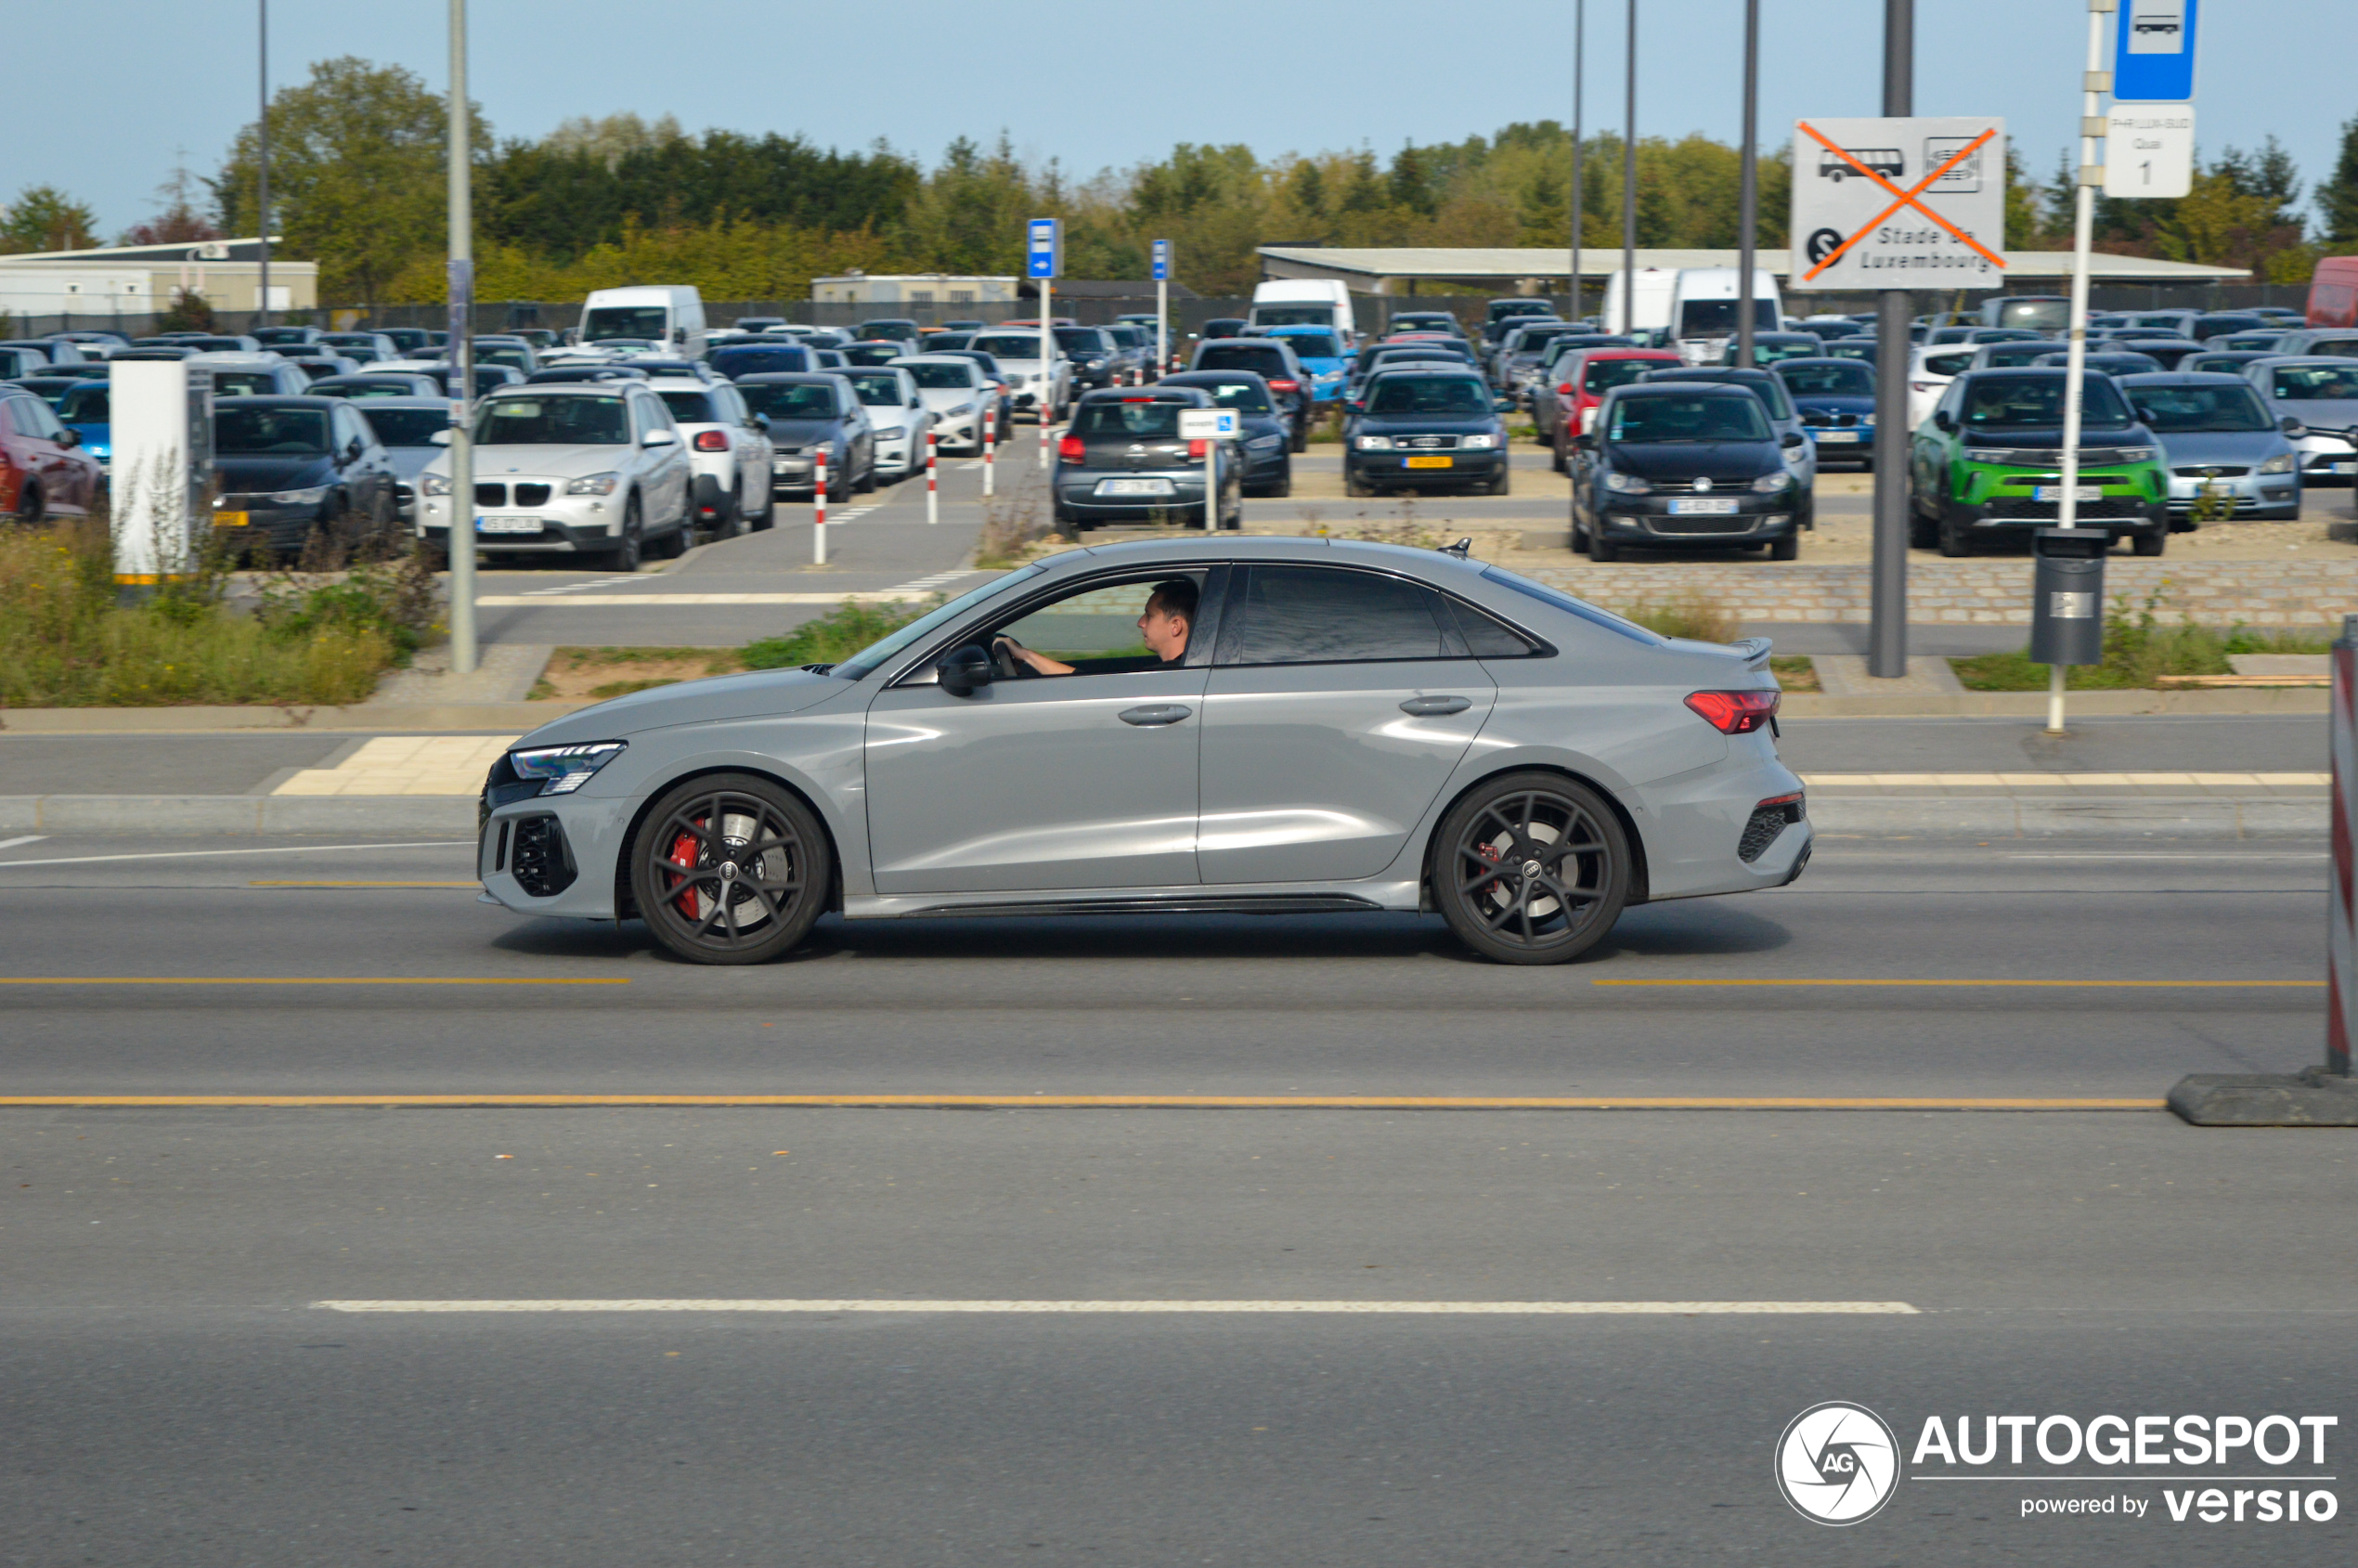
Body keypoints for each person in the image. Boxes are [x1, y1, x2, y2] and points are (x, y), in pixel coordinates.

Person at [995, 577, 1198, 676]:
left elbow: (1086, 688)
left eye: (1149, 616)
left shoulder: (1165, 678)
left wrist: (1027, 655)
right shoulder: (1177, 673)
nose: (1140, 622)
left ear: (1175, 626)